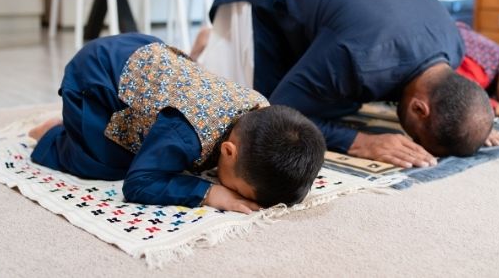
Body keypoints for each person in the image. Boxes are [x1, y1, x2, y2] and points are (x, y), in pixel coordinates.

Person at [194, 0, 494, 168]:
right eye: (416, 136)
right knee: (256, 114)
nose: (410, 140)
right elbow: (281, 109)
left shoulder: (453, 42)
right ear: (419, 108)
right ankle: (215, 44)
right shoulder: (362, 57)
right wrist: (361, 141)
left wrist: (470, 125)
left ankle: (223, 45)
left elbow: (459, 101)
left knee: (335, 99)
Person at [29, 33, 326, 214]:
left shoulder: (259, 107)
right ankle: (57, 134)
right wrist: (209, 193)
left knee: (159, 153)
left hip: (141, 49)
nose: (235, 194)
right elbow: (138, 184)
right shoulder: (186, 134)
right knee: (112, 164)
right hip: (95, 78)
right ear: (228, 151)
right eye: (241, 191)